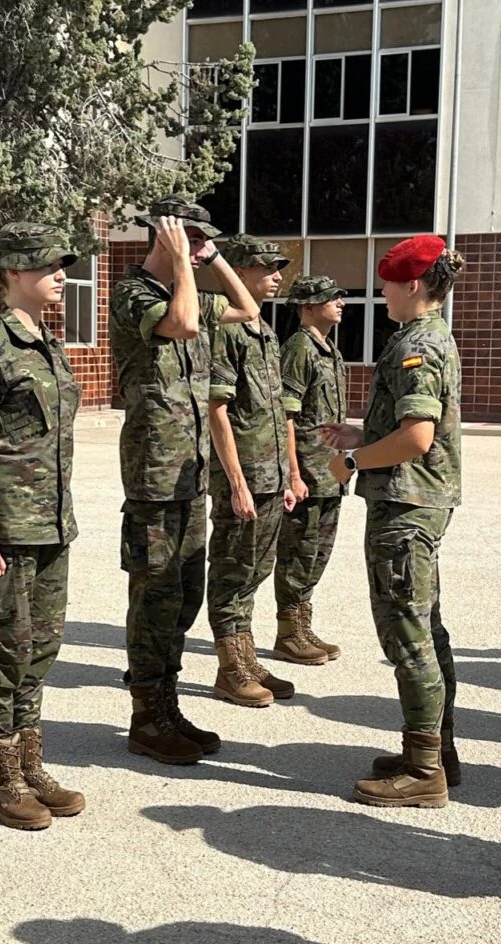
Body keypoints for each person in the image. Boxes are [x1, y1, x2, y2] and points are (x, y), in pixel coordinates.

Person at [110, 196, 259, 765]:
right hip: (153, 475)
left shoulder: (187, 284)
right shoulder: (136, 295)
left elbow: (246, 309)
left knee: (184, 597)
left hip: (188, 474)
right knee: (155, 596)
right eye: (192, 238)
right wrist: (178, 261)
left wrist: (214, 259)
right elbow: (186, 322)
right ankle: (146, 716)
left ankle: (167, 707)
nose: (199, 250)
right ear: (165, 236)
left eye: (203, 241)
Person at [0, 222, 85, 831]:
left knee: (41, 650)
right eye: (48, 265)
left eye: (62, 265)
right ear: (11, 274)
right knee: (4, 651)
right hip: (5, 528)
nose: (61, 275)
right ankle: (2, 778)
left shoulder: (47, 342)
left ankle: (30, 764)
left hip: (52, 526)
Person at [324, 235, 464, 808]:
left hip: (406, 509)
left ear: (412, 285)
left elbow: (417, 438)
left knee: (407, 633)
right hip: (416, 501)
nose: (379, 292)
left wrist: (352, 461)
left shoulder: (419, 347)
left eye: (385, 283)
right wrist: (363, 436)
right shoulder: (423, 338)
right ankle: (435, 752)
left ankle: (424, 769)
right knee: (425, 626)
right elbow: (407, 428)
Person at [206, 235, 297, 706]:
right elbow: (216, 409)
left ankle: (247, 655)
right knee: (230, 571)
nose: (278, 275)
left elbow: (275, 410)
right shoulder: (226, 329)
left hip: (270, 476)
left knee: (256, 570)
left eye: (279, 267)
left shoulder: (265, 330)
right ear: (240, 273)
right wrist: (237, 483)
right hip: (241, 477)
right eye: (267, 267)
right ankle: (230, 668)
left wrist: (286, 475)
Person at [272, 275, 347, 665]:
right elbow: (286, 415)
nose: (340, 302)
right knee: (298, 554)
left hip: (329, 473)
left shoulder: (327, 349)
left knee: (318, 553)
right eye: (331, 297)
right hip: (308, 474)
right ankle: (289, 633)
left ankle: (302, 624)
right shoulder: (299, 349)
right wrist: (293, 474)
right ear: (307, 306)